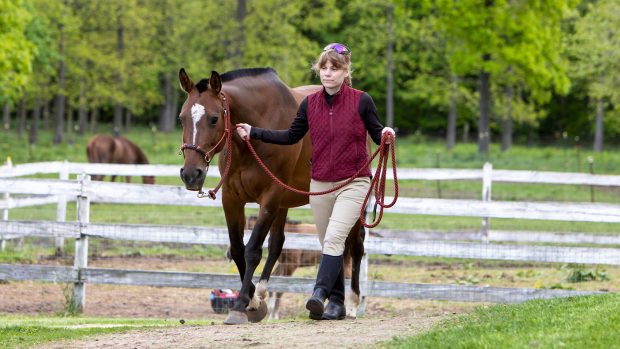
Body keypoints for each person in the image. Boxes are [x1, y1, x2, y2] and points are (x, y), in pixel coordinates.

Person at [236, 43, 395, 320]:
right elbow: (290, 136)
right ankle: (336, 303)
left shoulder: (362, 101)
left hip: (354, 182)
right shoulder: (311, 104)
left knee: (334, 238)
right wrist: (255, 132)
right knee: (329, 244)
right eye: (324, 67)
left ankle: (318, 293)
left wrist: (386, 135)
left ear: (346, 71)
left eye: (335, 68)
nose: (328, 73)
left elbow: (377, 132)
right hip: (320, 184)